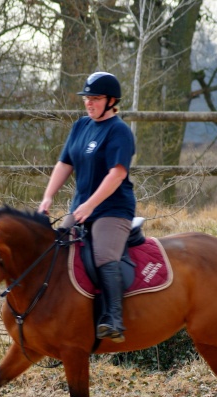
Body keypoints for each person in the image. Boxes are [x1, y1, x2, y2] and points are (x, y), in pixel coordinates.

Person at [38, 71, 136, 343]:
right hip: (81, 208)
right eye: (86, 98)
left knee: (104, 255)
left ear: (111, 100)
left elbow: (116, 174)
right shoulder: (80, 126)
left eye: (95, 98)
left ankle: (113, 319)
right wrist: (47, 197)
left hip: (112, 210)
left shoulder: (119, 131)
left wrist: (91, 205)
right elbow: (64, 164)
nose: (89, 103)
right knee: (54, 250)